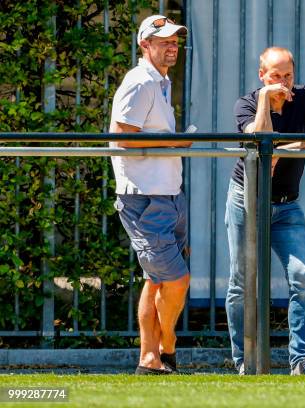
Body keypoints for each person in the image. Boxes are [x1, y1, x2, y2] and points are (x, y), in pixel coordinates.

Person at [225, 47, 305, 375]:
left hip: (287, 205)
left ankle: (302, 359)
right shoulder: (246, 103)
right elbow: (260, 138)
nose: (283, 82)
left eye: (288, 75)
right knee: (242, 281)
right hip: (247, 199)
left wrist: (283, 149)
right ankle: (245, 359)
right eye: (275, 76)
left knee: (302, 277)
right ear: (262, 75)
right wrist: (264, 101)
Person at [110, 15, 191, 375]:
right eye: (164, 42)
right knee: (177, 279)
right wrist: (175, 140)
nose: (172, 47)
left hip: (167, 193)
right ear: (145, 44)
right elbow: (123, 136)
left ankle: (149, 359)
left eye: (175, 41)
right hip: (144, 197)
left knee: (156, 279)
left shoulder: (158, 82)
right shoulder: (140, 82)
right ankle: (168, 345)